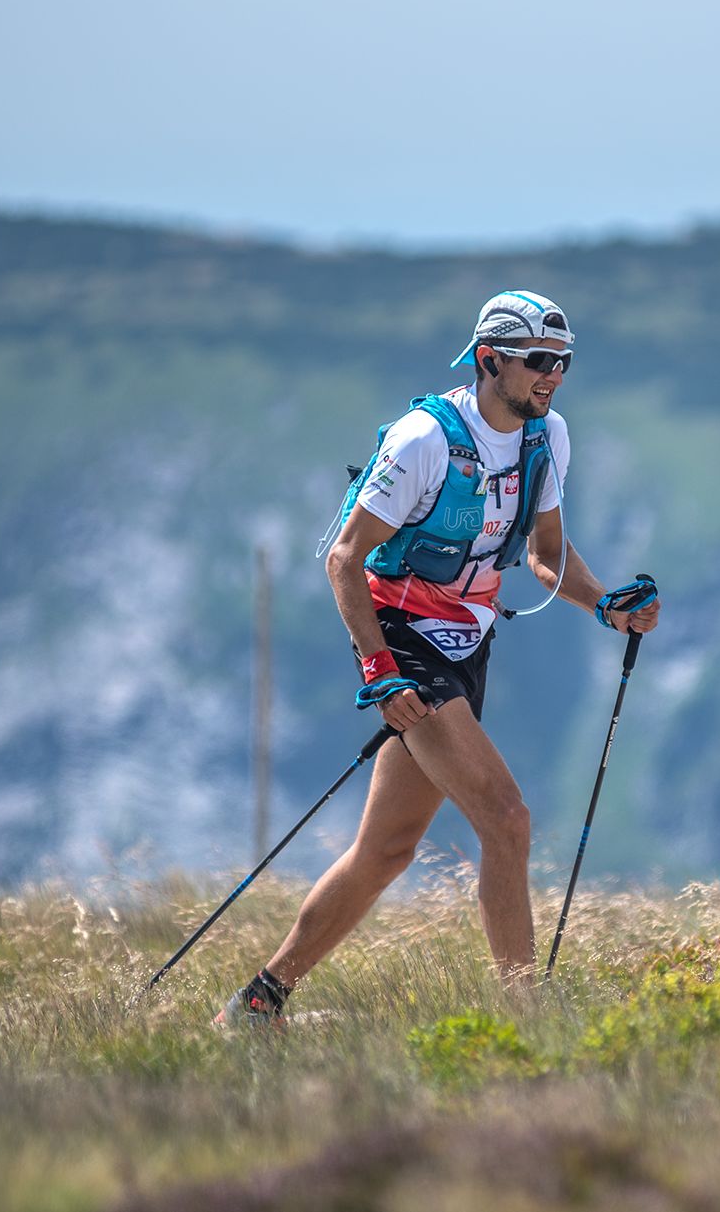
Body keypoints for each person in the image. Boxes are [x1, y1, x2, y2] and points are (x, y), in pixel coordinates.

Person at [216, 290, 659, 1026]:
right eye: (538, 361)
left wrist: (606, 603)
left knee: (386, 849)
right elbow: (344, 558)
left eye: (564, 361)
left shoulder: (546, 438)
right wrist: (378, 672)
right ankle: (529, 1020)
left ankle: (258, 1003)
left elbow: (546, 556)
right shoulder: (424, 440)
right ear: (489, 361)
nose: (553, 376)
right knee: (507, 819)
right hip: (403, 641)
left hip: (467, 642)